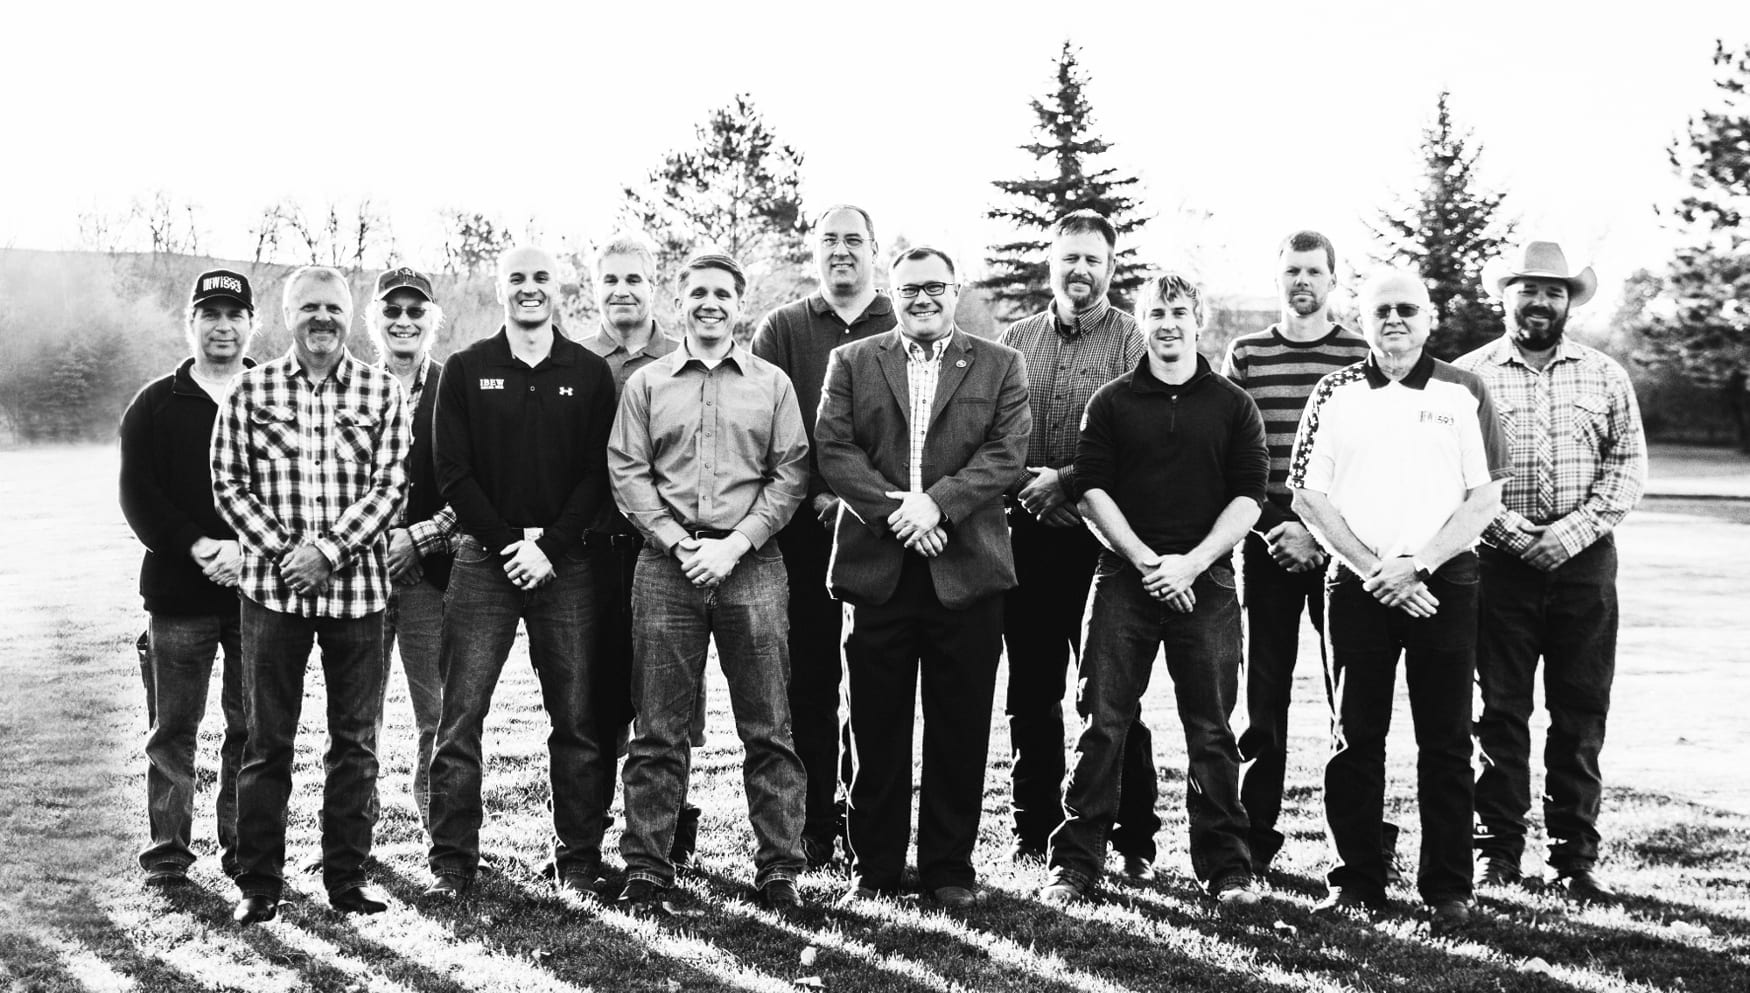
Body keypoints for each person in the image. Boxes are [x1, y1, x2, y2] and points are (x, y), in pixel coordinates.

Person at [1289, 268, 1509, 932]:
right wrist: (1374, 570)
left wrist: (1418, 565)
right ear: (1362, 318)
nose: (1394, 319)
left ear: (1430, 315)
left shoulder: (1465, 391)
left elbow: (1486, 496)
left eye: (1407, 308)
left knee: (1445, 738)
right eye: (1381, 309)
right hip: (1356, 586)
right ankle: (1356, 879)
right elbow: (1307, 495)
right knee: (1356, 736)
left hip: (1445, 583)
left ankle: (1448, 886)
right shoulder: (1335, 391)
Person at [1039, 273, 1269, 907]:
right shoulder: (1112, 402)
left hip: (1209, 582)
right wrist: (1146, 562)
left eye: (1178, 312)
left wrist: (1191, 563)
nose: (1167, 323)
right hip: (1123, 578)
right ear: (1141, 321)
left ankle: (1226, 868)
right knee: (1103, 722)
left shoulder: (1231, 404)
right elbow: (1090, 488)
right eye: (1155, 313)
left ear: (1199, 319)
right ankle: (1076, 863)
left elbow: (1250, 496)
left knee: (1212, 729)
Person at [816, 246, 1031, 909]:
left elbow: (1006, 453)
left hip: (965, 570)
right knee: (874, 728)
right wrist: (899, 513)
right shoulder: (853, 361)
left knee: (959, 728)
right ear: (893, 291)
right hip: (880, 570)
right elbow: (834, 448)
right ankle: (874, 868)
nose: (923, 298)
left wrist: (937, 504)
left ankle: (947, 869)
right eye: (910, 288)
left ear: (955, 289)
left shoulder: (1000, 364)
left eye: (935, 286)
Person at [609, 253, 810, 914]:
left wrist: (733, 545)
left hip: (751, 563)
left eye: (722, 293)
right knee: (658, 726)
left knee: (769, 726)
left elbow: (790, 475)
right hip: (666, 566)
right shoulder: (647, 383)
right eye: (697, 292)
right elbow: (628, 474)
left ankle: (779, 867)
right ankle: (647, 864)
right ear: (680, 298)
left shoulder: (772, 383)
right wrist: (679, 542)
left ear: (738, 303)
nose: (709, 303)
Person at [210, 266, 409, 923]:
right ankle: (259, 883)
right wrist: (287, 554)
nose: (321, 318)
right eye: (308, 308)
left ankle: (346, 879)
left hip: (359, 597)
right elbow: (228, 483)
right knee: (267, 740)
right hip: (272, 596)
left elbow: (391, 487)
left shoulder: (381, 391)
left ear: (348, 314)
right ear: (287, 314)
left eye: (332, 307)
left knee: (355, 743)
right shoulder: (251, 389)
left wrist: (327, 551)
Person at [1455, 241, 1647, 903]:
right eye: (1528, 288)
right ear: (1504, 294)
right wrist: (1512, 532)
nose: (1540, 301)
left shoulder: (1606, 375)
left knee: (1579, 712)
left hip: (1585, 567)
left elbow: (1627, 469)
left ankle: (1573, 859)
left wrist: (1565, 535)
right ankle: (1497, 854)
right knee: (1498, 713)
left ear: (1568, 300)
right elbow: (1455, 474)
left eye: (1554, 290)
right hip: (1495, 565)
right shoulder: (1467, 376)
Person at [425, 246, 618, 900]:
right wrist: (509, 542)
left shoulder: (589, 373)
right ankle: (453, 857)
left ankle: (579, 857)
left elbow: (598, 473)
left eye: (541, 278)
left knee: (577, 715)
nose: (530, 289)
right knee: (461, 713)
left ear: (556, 289)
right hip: (484, 560)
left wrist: (551, 546)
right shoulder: (466, 368)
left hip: (567, 562)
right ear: (499, 288)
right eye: (518, 279)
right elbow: (454, 471)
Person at [997, 209, 1160, 874]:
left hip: (1104, 544)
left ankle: (1132, 837)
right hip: (1025, 540)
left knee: (1111, 696)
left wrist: (1063, 482)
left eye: (1093, 259)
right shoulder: (1014, 338)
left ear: (1111, 266)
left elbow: (1142, 439)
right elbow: (993, 433)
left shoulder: (1131, 340)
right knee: (1031, 693)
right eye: (1070, 258)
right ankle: (1033, 827)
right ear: (1052, 261)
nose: (1081, 270)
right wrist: (1025, 484)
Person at [1221, 232, 1372, 872]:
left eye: (1313, 270)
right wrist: (1274, 530)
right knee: (1265, 695)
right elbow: (1230, 456)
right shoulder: (1248, 354)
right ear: (1276, 277)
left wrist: (1321, 532)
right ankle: (1254, 836)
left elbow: (1373, 463)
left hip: (1344, 550)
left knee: (1352, 695)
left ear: (1333, 278)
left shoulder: (1361, 354)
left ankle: (1359, 844)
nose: (1301, 280)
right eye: (1291, 270)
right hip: (1267, 545)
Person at [750, 204, 896, 867]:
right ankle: (813, 819)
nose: (841, 251)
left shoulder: (899, 321)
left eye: (853, 240)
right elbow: (763, 422)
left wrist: (863, 496)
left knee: (878, 679)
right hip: (804, 533)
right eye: (829, 240)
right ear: (815, 251)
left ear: (875, 249)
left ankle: (871, 817)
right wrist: (816, 491)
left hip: (887, 531)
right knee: (808, 678)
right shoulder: (783, 328)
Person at [120, 268, 256, 888]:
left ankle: (244, 850)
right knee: (173, 730)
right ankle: (169, 853)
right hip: (178, 596)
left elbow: (300, 488)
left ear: (251, 323)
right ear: (191, 323)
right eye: (210, 314)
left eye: (234, 314)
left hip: (260, 595)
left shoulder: (274, 392)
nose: (222, 325)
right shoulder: (154, 402)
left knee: (252, 728)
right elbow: (137, 495)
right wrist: (199, 545)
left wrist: (246, 550)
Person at [578, 234, 705, 870]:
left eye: (635, 278)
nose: (622, 290)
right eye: (611, 279)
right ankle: (589, 826)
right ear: (593, 286)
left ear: (653, 283)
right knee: (597, 693)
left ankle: (671, 824)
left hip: (670, 549)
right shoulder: (578, 363)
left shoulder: (685, 357)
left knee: (670, 696)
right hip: (596, 547)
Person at [369, 266, 457, 839]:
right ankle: (354, 831)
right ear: (374, 320)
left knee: (439, 713)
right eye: (392, 311)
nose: (404, 321)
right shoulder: (351, 387)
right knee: (356, 716)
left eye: (414, 311)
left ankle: (441, 833)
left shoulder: (458, 388)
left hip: (432, 577)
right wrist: (374, 542)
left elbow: (476, 489)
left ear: (431, 319)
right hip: (361, 579)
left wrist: (416, 538)